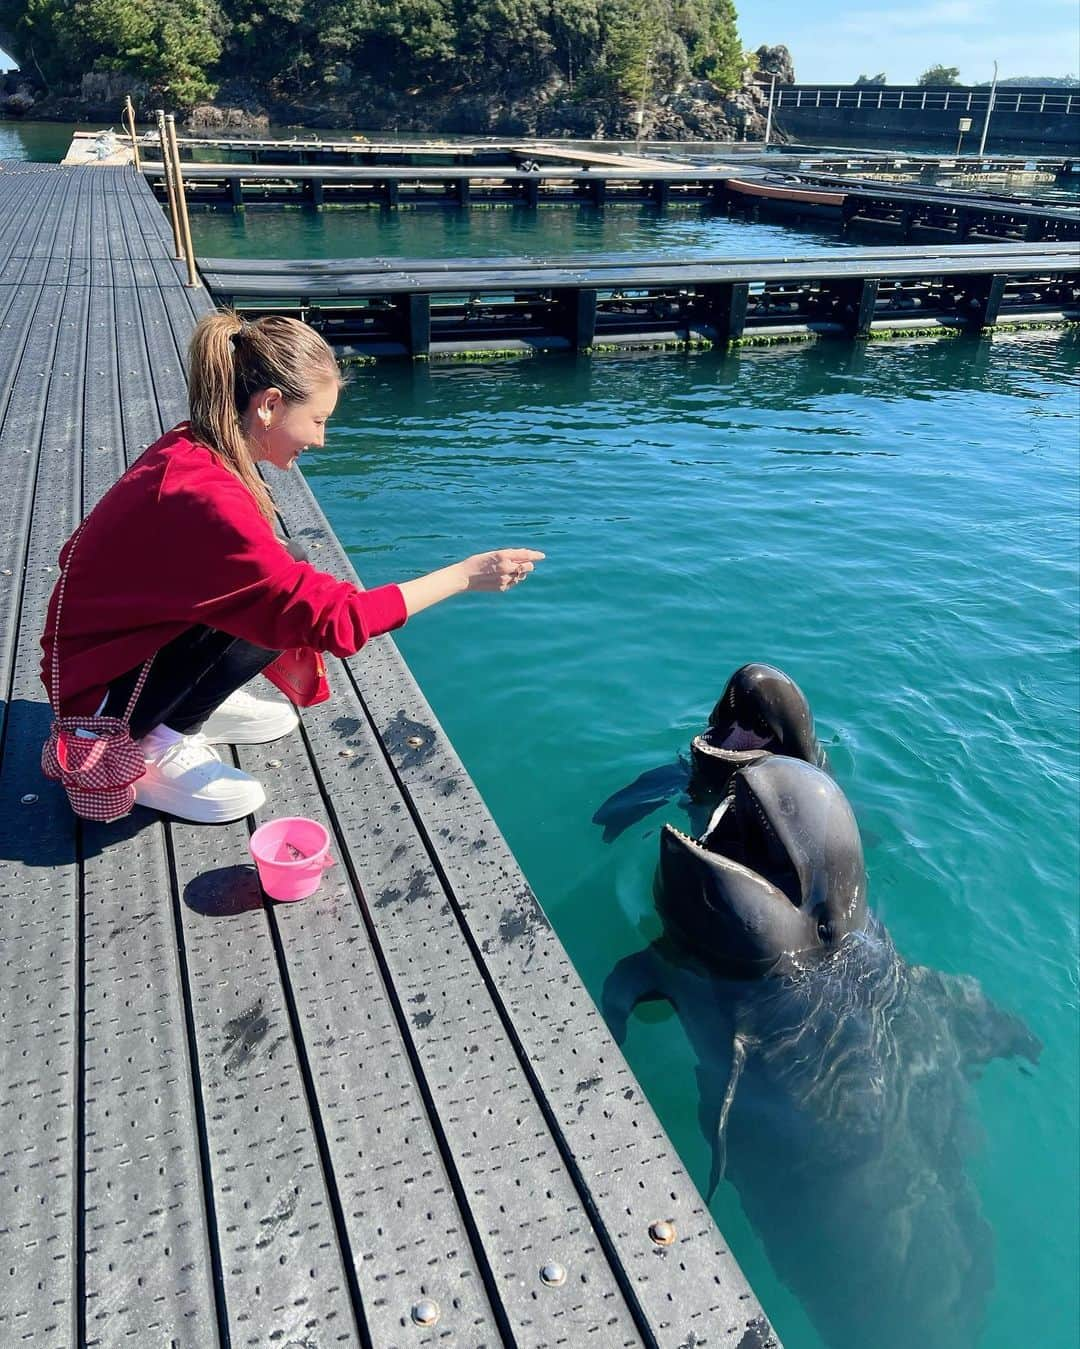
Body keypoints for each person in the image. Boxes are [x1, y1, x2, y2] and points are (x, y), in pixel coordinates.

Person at [40, 311, 544, 824]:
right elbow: (334, 621)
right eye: (319, 420)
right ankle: (146, 739)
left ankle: (183, 716)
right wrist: (464, 576)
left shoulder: (196, 445)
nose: (322, 439)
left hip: (113, 654)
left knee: (288, 568)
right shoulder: (203, 496)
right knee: (291, 597)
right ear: (270, 405)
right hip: (98, 697)